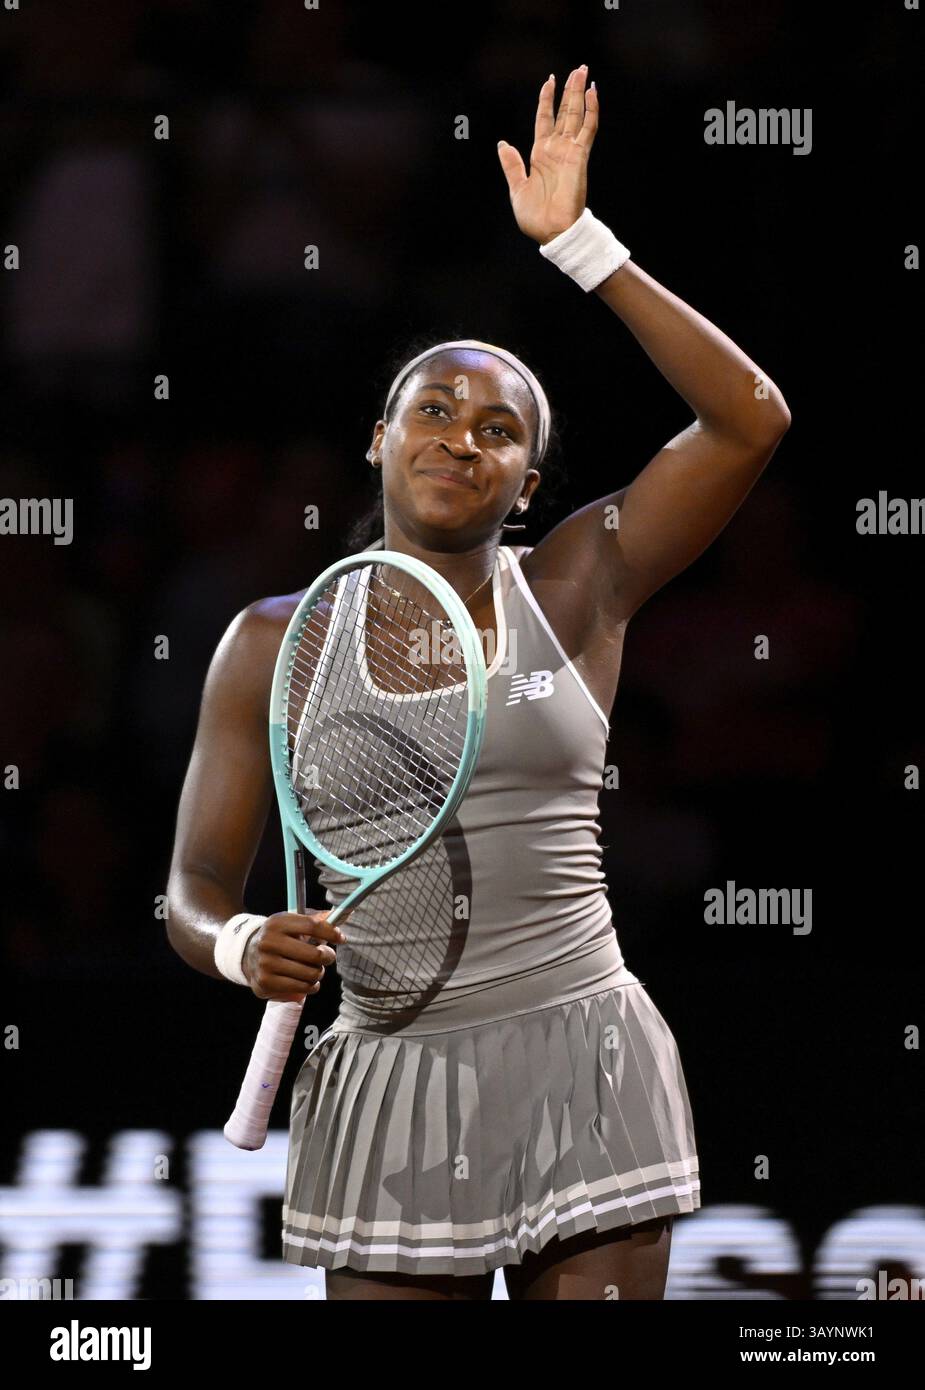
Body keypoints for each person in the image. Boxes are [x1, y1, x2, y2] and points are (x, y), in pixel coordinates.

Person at [166, 65, 790, 1301]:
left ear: (527, 485)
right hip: (389, 1083)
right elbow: (187, 890)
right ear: (379, 439)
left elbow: (750, 420)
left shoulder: (577, 584)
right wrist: (240, 944)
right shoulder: (269, 642)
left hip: (588, 1057)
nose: (462, 434)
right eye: (434, 408)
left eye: (499, 429)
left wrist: (582, 248)